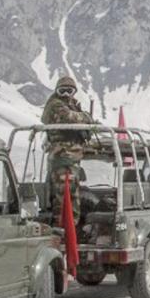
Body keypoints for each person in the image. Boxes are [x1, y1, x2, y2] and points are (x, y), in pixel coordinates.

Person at [41, 76, 94, 224]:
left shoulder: (72, 105)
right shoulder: (55, 105)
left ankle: (70, 229)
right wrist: (86, 117)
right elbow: (71, 118)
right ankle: (64, 231)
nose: (65, 95)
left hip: (71, 158)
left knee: (71, 198)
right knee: (64, 199)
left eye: (69, 91)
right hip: (63, 157)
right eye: (62, 91)